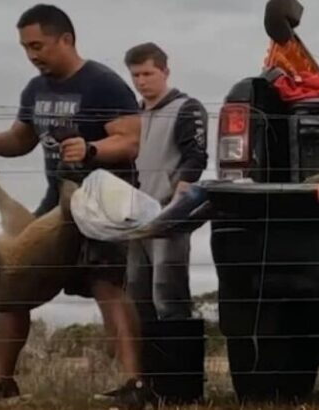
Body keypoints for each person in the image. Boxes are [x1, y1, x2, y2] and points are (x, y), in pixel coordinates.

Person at [0, 5, 150, 408]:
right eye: (26, 48)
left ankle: (136, 385)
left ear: (66, 39)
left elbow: (131, 140)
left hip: (102, 198)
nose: (32, 55)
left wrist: (92, 148)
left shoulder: (104, 84)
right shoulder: (35, 90)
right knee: (14, 283)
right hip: (54, 199)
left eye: (38, 45)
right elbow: (19, 140)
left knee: (107, 285)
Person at [123, 42, 208, 321]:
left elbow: (195, 158)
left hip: (167, 212)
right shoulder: (131, 115)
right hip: (134, 216)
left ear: (165, 71)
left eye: (148, 74)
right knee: (135, 293)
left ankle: (177, 362)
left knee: (167, 293)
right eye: (135, 75)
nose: (141, 81)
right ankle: (146, 363)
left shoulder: (187, 108)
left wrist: (176, 206)